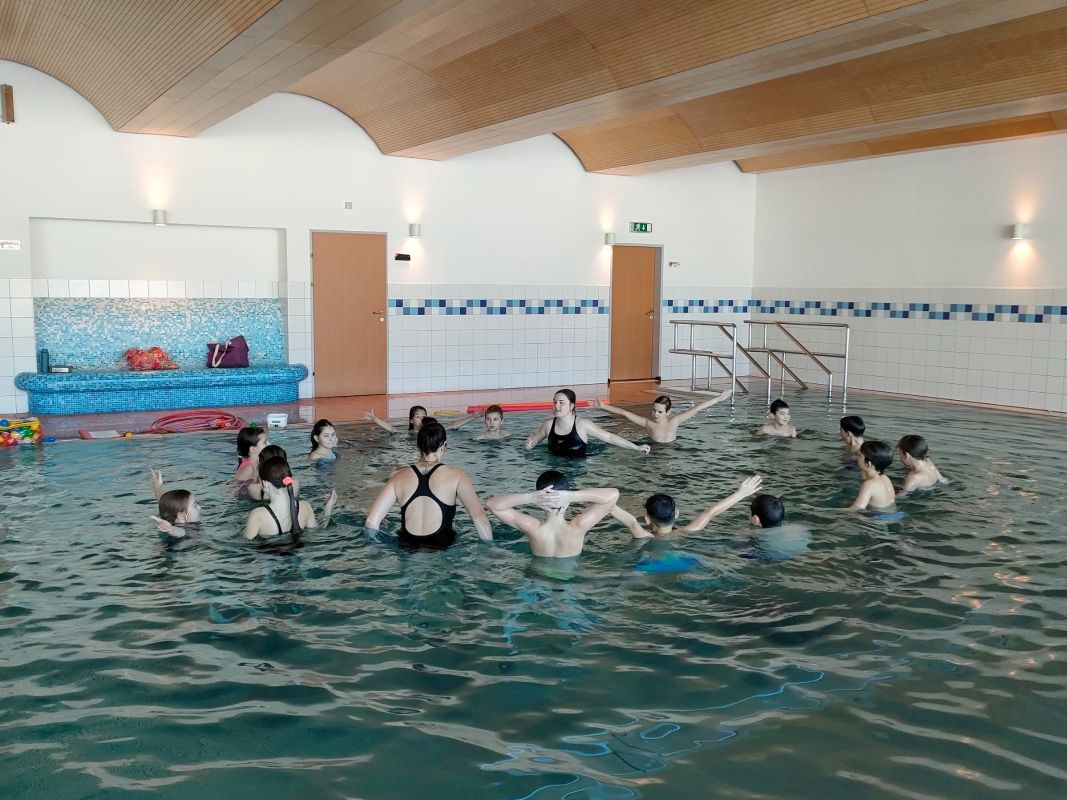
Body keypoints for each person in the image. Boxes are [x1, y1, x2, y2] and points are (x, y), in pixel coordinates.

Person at [365, 421, 493, 549]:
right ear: (444, 445)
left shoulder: (398, 477)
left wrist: (376, 545)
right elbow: (479, 516)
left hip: (407, 547)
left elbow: (371, 521)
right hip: (442, 548)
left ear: (418, 445)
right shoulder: (457, 476)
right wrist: (491, 548)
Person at [486, 470, 619, 558]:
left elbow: (491, 504)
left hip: (536, 580)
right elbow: (613, 494)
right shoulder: (579, 526)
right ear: (567, 501)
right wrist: (572, 496)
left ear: (539, 500)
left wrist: (530, 497)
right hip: (565, 584)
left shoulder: (532, 528)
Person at [611, 476, 763, 538]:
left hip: (650, 567)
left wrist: (609, 504)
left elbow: (631, 521)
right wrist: (741, 493)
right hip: (682, 563)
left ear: (647, 519)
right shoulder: (685, 533)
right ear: (677, 513)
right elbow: (710, 512)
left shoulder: (644, 536)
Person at [525, 388, 651, 456]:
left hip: (577, 468)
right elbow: (535, 438)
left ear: (572, 406)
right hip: (554, 467)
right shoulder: (548, 425)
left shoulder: (582, 424)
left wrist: (636, 447)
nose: (556, 406)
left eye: (561, 403)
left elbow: (609, 437)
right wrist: (529, 444)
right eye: (554, 402)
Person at [243, 456, 336, 540]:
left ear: (265, 484)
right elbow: (319, 530)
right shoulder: (305, 506)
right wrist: (328, 509)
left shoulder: (257, 515)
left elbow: (245, 542)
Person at [594, 388, 733, 444]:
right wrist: (604, 406)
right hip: (654, 450)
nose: (655, 414)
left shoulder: (675, 420)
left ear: (668, 412)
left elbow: (697, 408)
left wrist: (719, 399)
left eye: (660, 412)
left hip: (672, 449)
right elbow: (625, 413)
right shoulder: (647, 423)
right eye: (654, 410)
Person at [148, 469, 202, 537]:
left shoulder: (169, 513)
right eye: (195, 506)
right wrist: (171, 529)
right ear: (181, 516)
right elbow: (182, 532)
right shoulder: (190, 529)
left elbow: (166, 503)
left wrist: (157, 487)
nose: (200, 507)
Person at [850, 440, 895, 510]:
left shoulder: (869, 484)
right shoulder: (885, 478)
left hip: (879, 516)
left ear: (868, 464)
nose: (857, 458)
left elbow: (856, 509)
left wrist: (831, 511)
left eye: (859, 455)